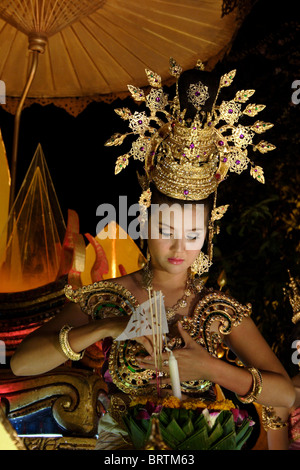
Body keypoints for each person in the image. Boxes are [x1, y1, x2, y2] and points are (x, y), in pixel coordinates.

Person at [10, 60, 296, 450]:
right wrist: (108, 327)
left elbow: (286, 395)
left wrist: (212, 368)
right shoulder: (108, 297)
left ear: (208, 234)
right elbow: (21, 363)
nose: (180, 249)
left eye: (193, 235)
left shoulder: (215, 309)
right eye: (166, 233)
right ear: (145, 227)